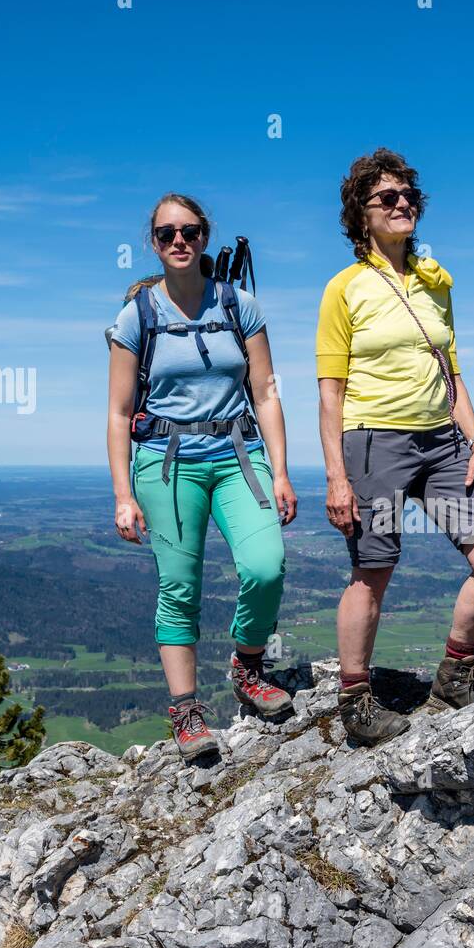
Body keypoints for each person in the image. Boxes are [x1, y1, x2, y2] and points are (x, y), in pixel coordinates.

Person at [316, 148, 474, 746]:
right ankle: (354, 701)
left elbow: (450, 372)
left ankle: (456, 674)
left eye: (408, 196)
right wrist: (336, 476)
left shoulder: (435, 283)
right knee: (373, 568)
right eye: (386, 198)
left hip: (441, 445)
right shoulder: (344, 290)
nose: (402, 204)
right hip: (375, 444)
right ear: (361, 215)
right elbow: (331, 393)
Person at [106, 193, 297, 761]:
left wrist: (281, 470)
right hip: (164, 460)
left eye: (188, 231)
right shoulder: (136, 315)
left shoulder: (241, 305)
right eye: (166, 234)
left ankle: (247, 663)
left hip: (239, 453)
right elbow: (118, 413)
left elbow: (265, 391)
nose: (179, 241)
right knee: (179, 585)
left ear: (205, 236)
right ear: (155, 243)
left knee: (266, 565)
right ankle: (186, 709)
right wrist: (122, 495)